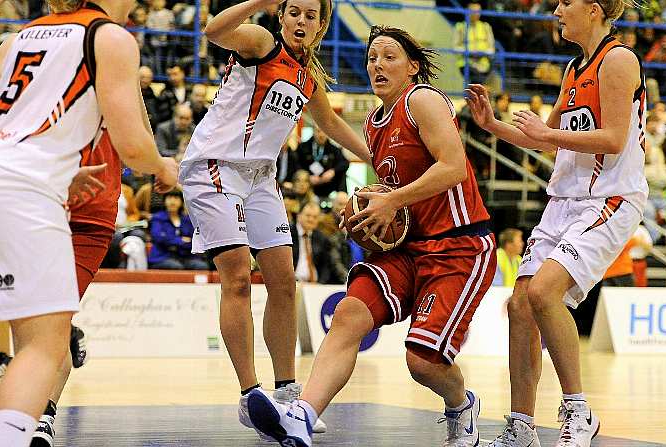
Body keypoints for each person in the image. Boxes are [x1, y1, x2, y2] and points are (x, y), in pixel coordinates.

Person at [0, 1, 178, 446]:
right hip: (20, 186)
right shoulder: (109, 38)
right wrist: (164, 168)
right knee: (44, 344)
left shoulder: (26, 34)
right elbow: (133, 145)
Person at [246, 25, 496, 447]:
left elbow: (452, 166)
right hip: (406, 248)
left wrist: (391, 200)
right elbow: (391, 188)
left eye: (388, 56)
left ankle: (460, 403)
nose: (377, 65)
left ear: (413, 67)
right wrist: (362, 202)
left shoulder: (423, 99)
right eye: (371, 58)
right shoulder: (374, 124)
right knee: (348, 316)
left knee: (422, 363)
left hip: (458, 244)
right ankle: (302, 417)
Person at [177, 0, 370, 437]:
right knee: (239, 276)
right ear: (282, 17)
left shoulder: (308, 76)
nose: (302, 21)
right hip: (214, 166)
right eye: (294, 12)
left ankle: (286, 394)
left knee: (284, 281)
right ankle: (250, 396)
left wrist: (382, 160)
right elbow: (214, 30)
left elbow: (334, 127)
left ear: (322, 25)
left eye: (311, 15)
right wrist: (260, 2)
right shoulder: (262, 43)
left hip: (261, 176)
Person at [466, 0, 649, 443]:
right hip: (564, 200)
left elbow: (613, 138)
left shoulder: (619, 59)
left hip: (608, 197)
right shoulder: (573, 68)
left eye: (566, 2)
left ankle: (579, 410)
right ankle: (522, 426)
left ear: (594, 9)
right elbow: (545, 142)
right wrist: (492, 126)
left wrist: (546, 134)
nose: (557, 9)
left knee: (546, 292)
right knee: (518, 307)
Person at [0, 129, 125, 446]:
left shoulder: (106, 83)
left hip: (74, 205)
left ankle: (41, 415)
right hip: (35, 194)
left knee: (47, 319)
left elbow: (136, 141)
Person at [148, 190, 209, 270]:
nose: (172, 201)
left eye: (176, 198)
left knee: (201, 266)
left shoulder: (188, 220)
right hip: (163, 256)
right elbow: (158, 237)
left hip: (185, 256)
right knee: (176, 266)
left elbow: (194, 240)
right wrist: (180, 240)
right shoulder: (157, 218)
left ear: (181, 202)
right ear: (164, 201)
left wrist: (172, 240)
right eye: (169, 198)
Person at [290, 201, 339, 284]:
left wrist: (321, 284)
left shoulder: (322, 238)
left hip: (316, 286)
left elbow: (326, 266)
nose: (311, 219)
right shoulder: (288, 235)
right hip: (293, 284)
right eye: (308, 216)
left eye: (315, 217)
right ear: (299, 216)